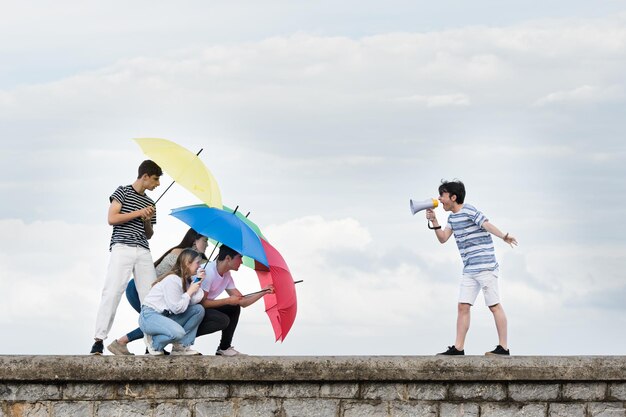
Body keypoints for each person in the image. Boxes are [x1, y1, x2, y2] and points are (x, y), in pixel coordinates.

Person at [425, 180, 518, 356]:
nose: (439, 199)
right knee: (463, 306)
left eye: (442, 195)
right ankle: (458, 348)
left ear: (453, 197)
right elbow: (443, 238)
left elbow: (486, 224)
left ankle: (503, 348)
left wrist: (503, 236)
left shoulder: (469, 210)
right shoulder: (452, 218)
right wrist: (435, 220)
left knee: (494, 305)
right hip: (469, 269)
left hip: (486, 266)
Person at [91, 160, 163, 355]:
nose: (157, 184)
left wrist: (147, 220)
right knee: (112, 291)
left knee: (150, 297)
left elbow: (149, 234)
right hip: (122, 246)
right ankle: (98, 340)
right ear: (145, 176)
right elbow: (112, 218)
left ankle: (151, 344)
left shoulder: (150, 203)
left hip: (143, 249)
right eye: (155, 179)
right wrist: (139, 212)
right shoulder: (122, 191)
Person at [106, 228, 209, 355]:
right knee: (157, 319)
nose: (207, 244)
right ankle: (133, 344)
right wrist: (189, 291)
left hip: (160, 294)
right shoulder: (179, 256)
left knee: (165, 319)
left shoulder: (191, 263)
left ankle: (147, 346)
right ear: (195, 241)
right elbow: (173, 285)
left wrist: (196, 283)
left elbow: (187, 294)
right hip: (140, 288)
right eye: (205, 240)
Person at [196, 244, 274, 356]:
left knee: (234, 307)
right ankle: (184, 339)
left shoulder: (227, 275)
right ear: (228, 258)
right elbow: (201, 304)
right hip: (192, 309)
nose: (241, 262)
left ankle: (224, 348)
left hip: (203, 308)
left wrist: (264, 291)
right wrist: (227, 300)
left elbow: (242, 302)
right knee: (222, 320)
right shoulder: (208, 272)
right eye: (240, 258)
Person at [139, 248, 206, 355]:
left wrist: (198, 282)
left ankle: (181, 347)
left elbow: (194, 301)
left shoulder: (185, 280)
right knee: (178, 333)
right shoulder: (172, 279)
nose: (199, 266)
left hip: (165, 316)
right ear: (187, 263)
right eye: (197, 263)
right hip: (150, 316)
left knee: (198, 310)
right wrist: (189, 292)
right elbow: (177, 308)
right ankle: (154, 344)